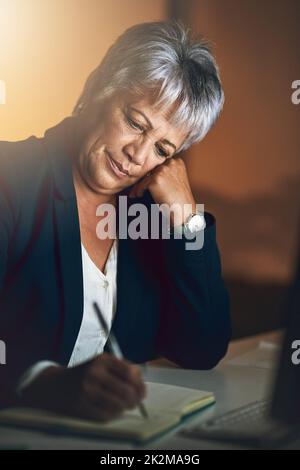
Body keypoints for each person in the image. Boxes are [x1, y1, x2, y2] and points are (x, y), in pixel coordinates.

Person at [0, 21, 231, 422]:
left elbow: (201, 348)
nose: (138, 155)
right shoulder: (10, 178)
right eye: (135, 122)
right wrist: (41, 381)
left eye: (162, 147)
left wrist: (188, 222)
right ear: (96, 89)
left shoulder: (147, 217)